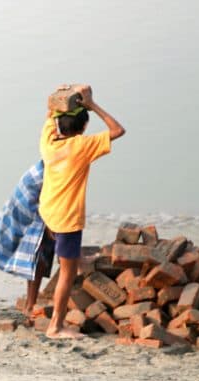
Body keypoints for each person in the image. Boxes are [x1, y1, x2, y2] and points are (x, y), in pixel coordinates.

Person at [39, 84, 125, 338]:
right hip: (67, 219)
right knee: (66, 274)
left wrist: (61, 97)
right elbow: (118, 130)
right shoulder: (81, 147)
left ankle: (72, 259)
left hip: (49, 211)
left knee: (68, 257)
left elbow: (50, 114)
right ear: (83, 128)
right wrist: (91, 104)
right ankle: (56, 325)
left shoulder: (48, 141)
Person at [0, 160, 56, 323]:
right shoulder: (52, 168)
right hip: (31, 206)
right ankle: (30, 304)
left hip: (39, 203)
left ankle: (30, 303)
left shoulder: (55, 154)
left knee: (39, 257)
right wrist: (50, 225)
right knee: (35, 255)